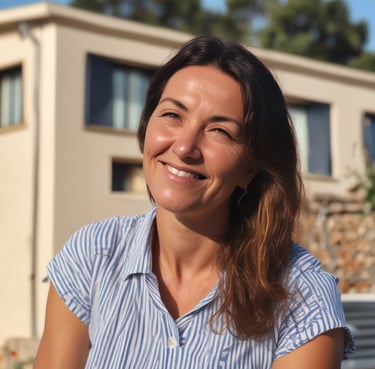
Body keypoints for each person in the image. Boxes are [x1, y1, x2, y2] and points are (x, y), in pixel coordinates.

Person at [33, 35, 355, 369]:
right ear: (147, 127)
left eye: (220, 131)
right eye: (173, 114)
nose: (185, 146)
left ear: (251, 166)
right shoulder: (92, 256)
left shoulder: (300, 293)